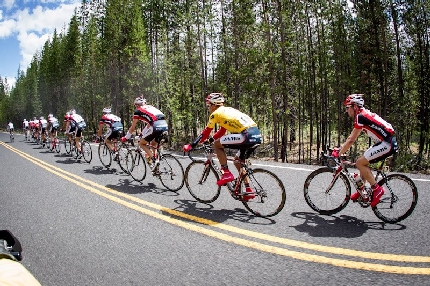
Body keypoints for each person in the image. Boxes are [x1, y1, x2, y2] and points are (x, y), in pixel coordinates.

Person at [183, 93, 262, 201]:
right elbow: (222, 131)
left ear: (214, 105)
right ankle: (248, 190)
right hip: (256, 135)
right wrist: (209, 140)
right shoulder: (227, 110)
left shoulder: (215, 114)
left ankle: (226, 173)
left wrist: (191, 145)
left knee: (217, 144)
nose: (208, 108)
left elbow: (205, 132)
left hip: (246, 135)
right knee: (238, 161)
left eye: (208, 105)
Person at [331, 94, 398, 207]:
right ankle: (362, 191)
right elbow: (351, 138)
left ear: (355, 106)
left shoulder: (360, 117)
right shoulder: (363, 115)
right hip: (386, 142)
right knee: (363, 160)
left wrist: (339, 152)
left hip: (387, 143)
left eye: (348, 108)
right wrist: (342, 149)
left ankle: (377, 189)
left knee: (359, 163)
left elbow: (351, 139)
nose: (346, 111)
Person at [120, 95, 168, 170]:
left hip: (155, 125)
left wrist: (126, 137)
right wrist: (142, 134)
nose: (135, 107)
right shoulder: (151, 107)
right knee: (153, 144)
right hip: (164, 124)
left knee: (142, 143)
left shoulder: (138, 111)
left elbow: (132, 128)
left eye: (135, 105)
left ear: (137, 105)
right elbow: (149, 124)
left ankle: (154, 160)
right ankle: (156, 163)